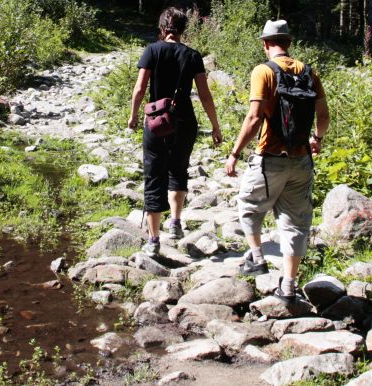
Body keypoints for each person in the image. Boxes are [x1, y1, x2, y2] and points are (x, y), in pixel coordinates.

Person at [225, 20, 330, 297]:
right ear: (288, 43)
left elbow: (254, 117)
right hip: (302, 160)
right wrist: (317, 140)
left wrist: (234, 153)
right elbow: (324, 116)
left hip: (270, 158)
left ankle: (257, 259)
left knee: (249, 204)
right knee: (296, 222)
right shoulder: (309, 72)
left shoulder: (264, 71)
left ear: (265, 43)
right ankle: (288, 286)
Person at [127, 7, 223, 256]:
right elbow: (204, 94)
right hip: (184, 121)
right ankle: (176, 223)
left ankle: (154, 240)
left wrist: (134, 115)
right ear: (183, 29)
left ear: (162, 27)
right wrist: (215, 125)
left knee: (154, 173)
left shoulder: (152, 50)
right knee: (178, 170)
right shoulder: (192, 55)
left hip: (156, 121)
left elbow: (139, 89)